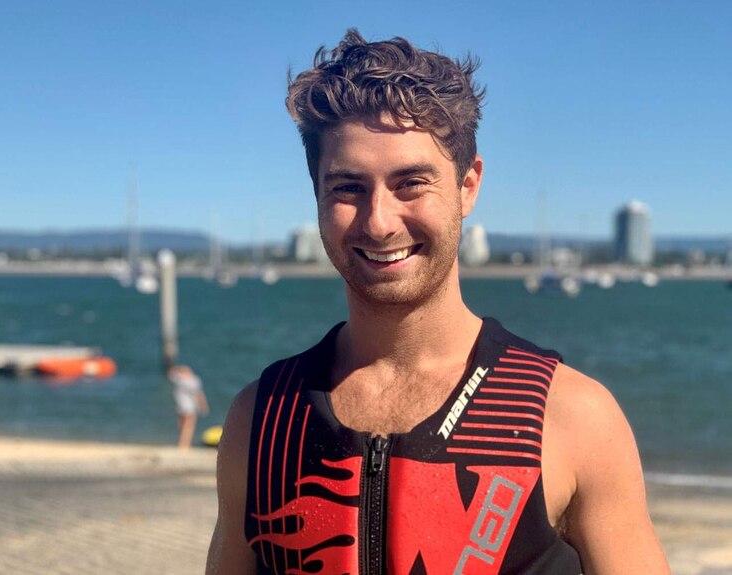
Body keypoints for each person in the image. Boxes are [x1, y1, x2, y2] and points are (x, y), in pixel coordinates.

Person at [207, 30, 670, 574]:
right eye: (347, 188)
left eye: (410, 183)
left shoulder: (569, 415)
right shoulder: (262, 419)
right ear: (317, 197)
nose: (378, 223)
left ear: (468, 185)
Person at [167, 364, 209, 450]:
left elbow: (170, 374)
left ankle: (182, 444)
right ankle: (185, 445)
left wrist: (174, 367)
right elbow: (199, 394)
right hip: (190, 406)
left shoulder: (178, 380)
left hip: (180, 405)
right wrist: (203, 406)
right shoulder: (193, 380)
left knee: (182, 426)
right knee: (189, 427)